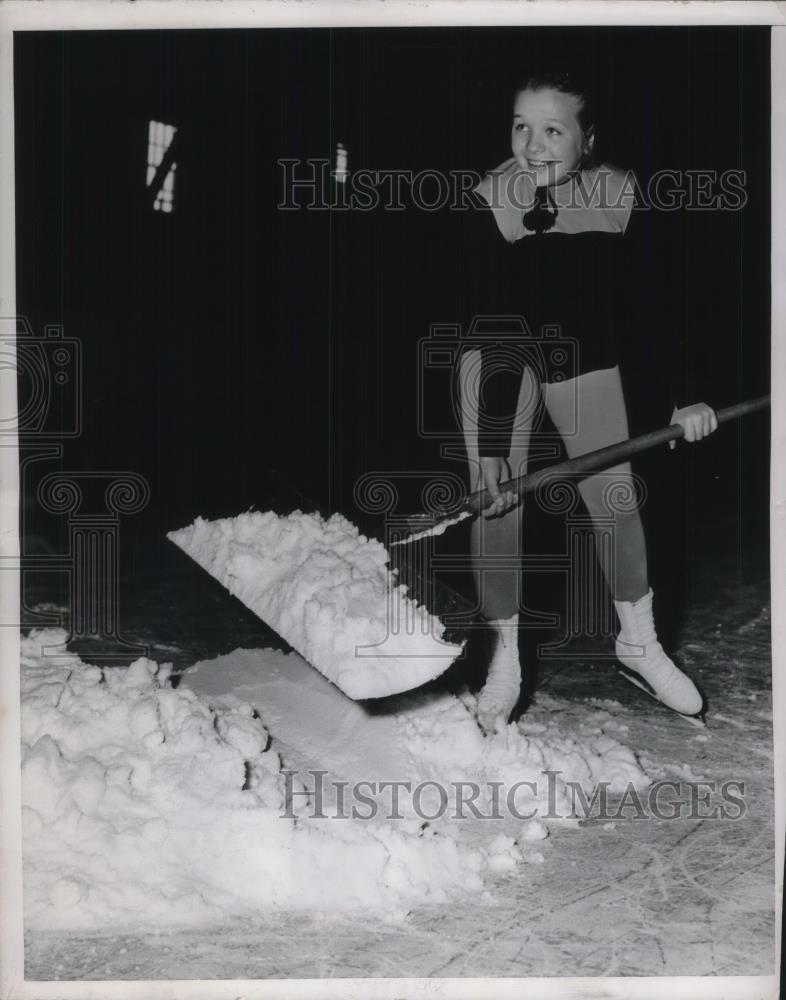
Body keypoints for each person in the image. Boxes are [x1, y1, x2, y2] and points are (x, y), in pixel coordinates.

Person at [450, 70, 718, 735]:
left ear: (587, 139)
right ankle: (503, 654)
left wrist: (687, 398)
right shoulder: (490, 198)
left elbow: (657, 306)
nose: (532, 145)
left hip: (583, 356)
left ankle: (637, 641)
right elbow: (493, 322)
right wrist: (488, 449)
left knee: (616, 500)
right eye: (520, 125)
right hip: (497, 361)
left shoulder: (621, 196)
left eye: (552, 130)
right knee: (498, 504)